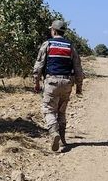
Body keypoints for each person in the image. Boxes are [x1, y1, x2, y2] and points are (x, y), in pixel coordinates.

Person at [32, 19, 84, 152]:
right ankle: (62, 138)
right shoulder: (70, 46)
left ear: (53, 31)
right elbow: (78, 68)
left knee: (48, 110)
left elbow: (39, 65)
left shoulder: (47, 44)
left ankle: (53, 133)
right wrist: (79, 87)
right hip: (67, 83)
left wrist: (36, 82)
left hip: (51, 82)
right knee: (61, 111)